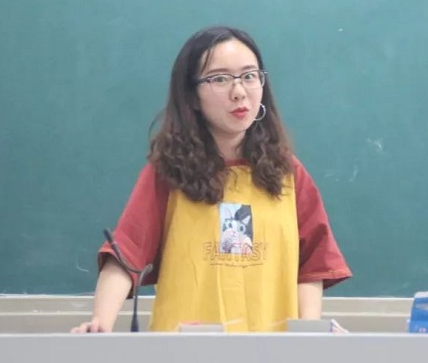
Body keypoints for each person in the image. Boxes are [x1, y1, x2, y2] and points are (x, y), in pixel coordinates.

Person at [71, 26, 351, 333]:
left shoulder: (288, 172)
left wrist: (309, 335)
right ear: (192, 96)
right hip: (184, 348)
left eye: (249, 76)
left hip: (271, 348)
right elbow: (126, 254)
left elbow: (312, 266)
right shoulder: (167, 172)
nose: (239, 91)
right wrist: (100, 324)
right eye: (220, 79)